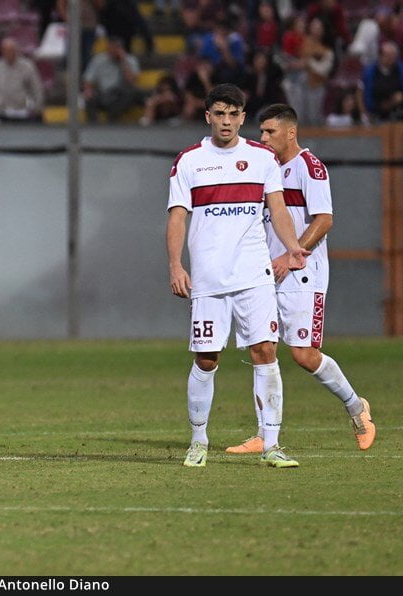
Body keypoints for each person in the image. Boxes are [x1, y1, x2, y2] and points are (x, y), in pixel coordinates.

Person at [166, 84, 310, 469]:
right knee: (207, 359)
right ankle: (198, 441)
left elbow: (277, 209)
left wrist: (292, 245)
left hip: (254, 275)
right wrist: (176, 265)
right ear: (207, 116)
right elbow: (177, 216)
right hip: (210, 279)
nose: (226, 121)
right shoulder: (189, 161)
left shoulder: (263, 158)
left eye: (233, 114)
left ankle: (272, 444)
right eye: (219, 114)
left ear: (243, 117)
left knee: (265, 352)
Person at [223, 104, 376, 454]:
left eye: (270, 132)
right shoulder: (265, 168)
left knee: (304, 354)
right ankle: (264, 433)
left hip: (303, 273)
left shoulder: (310, 167)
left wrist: (293, 255)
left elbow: (324, 220)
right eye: (261, 131)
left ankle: (357, 408)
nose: (263, 138)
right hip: (264, 271)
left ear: (290, 132)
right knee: (262, 349)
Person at [0, 37, 45, 123]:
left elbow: (37, 89)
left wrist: (35, 107)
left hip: (23, 111)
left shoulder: (28, 66)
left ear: (17, 50)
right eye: (5, 50)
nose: (9, 53)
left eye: (11, 50)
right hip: (3, 111)